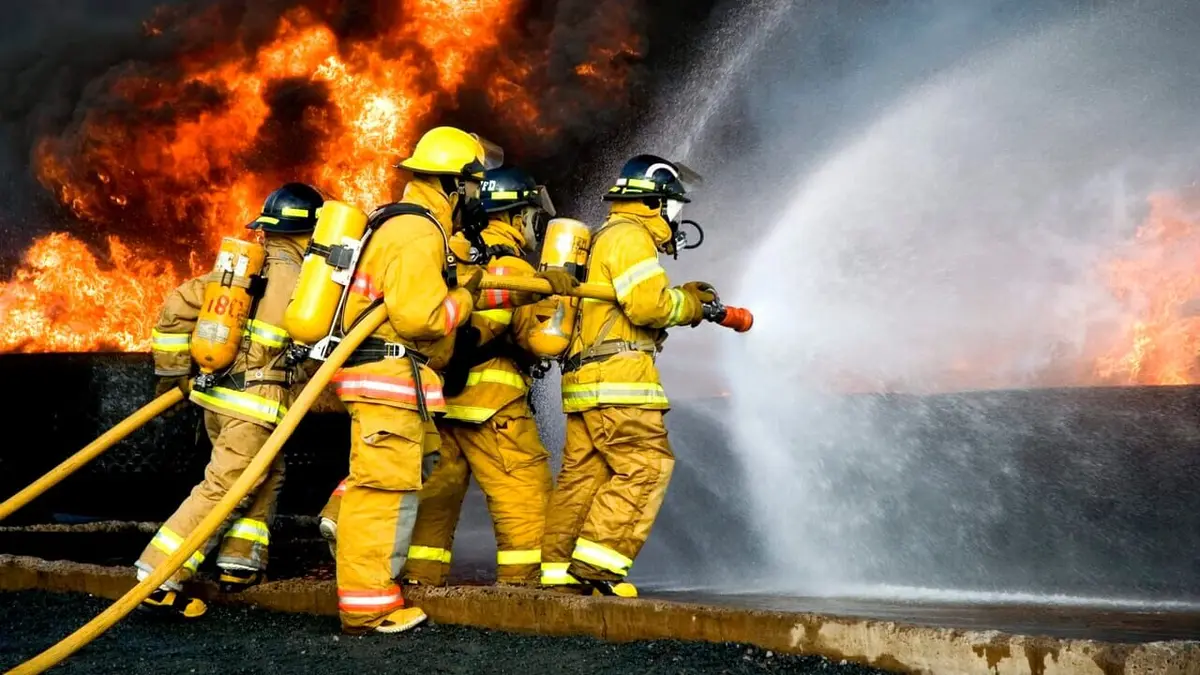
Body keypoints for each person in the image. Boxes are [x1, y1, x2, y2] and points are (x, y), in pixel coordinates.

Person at [317, 167, 575, 588]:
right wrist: (558, 302)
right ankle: (524, 586)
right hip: (494, 406)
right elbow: (538, 342)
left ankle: (421, 579)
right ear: (515, 217)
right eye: (529, 215)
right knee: (523, 495)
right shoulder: (512, 265)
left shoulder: (448, 247)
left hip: (433, 400)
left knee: (434, 496)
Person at [329, 126, 495, 635]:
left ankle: (337, 515)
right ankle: (369, 606)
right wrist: (466, 298)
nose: (475, 198)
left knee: (401, 471)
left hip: (392, 380)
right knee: (383, 490)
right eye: (472, 186)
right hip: (389, 379)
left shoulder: (405, 224)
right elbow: (421, 318)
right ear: (453, 185)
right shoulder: (419, 232)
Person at [137, 182, 324, 618]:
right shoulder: (306, 285)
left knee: (268, 473)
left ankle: (238, 562)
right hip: (254, 408)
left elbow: (175, 307)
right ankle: (158, 577)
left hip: (217, 401)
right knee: (226, 489)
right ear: (311, 234)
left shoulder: (236, 272)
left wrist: (175, 376)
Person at [540, 154, 716, 597]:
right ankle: (600, 565)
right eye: (674, 207)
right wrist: (689, 304)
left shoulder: (603, 237)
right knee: (646, 466)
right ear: (655, 203)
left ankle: (559, 574)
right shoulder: (632, 238)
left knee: (584, 477)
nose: (677, 219)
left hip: (585, 383)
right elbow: (648, 306)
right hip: (619, 382)